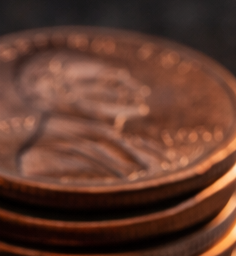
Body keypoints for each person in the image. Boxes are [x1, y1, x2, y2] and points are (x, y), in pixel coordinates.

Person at [14, 51, 168, 180]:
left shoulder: (141, 145)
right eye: (112, 81)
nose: (140, 89)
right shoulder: (46, 159)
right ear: (55, 92)